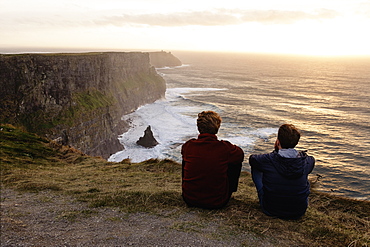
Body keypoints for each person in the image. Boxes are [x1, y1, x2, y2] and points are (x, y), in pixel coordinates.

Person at [249, 124, 315, 219]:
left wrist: (275, 152)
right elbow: (311, 161)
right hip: (298, 211)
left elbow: (252, 159)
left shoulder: (268, 159)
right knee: (303, 172)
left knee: (256, 167)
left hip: (271, 209)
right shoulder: (307, 161)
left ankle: (270, 194)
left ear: (278, 142)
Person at [181, 111, 244, 209]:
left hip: (189, 199)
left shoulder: (188, 145)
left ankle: (190, 188)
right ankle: (230, 190)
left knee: (187, 158)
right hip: (217, 202)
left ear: (198, 127)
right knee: (234, 160)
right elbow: (240, 155)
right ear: (217, 127)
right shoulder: (225, 148)